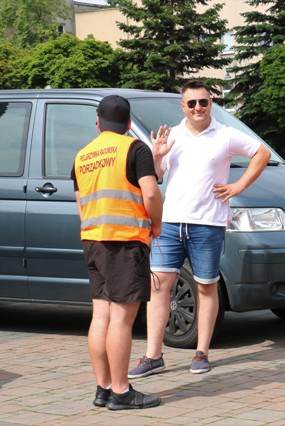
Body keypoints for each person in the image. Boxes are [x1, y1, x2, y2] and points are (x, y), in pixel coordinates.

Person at [128, 80, 271, 377]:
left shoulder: (227, 135)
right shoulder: (172, 136)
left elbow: (262, 153)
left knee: (206, 287)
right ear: (183, 106)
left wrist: (239, 185)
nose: (197, 108)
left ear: (211, 103)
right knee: (158, 289)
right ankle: (153, 356)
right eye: (191, 103)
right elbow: (156, 176)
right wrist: (156, 154)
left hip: (207, 224)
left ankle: (202, 352)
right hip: (170, 222)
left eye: (203, 102)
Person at [73, 95, 163, 410]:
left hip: (93, 240)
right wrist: (156, 225)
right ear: (127, 123)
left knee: (101, 315)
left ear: (98, 122)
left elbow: (81, 204)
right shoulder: (135, 148)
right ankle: (122, 392)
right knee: (122, 319)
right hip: (125, 240)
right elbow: (151, 192)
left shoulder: (82, 156)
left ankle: (104, 387)